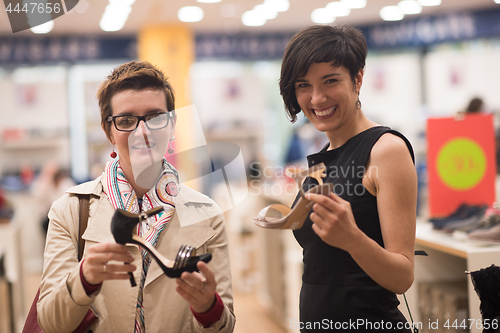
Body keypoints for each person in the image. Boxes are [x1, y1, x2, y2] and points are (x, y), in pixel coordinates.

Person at [37, 61, 235, 333]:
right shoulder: (70, 210)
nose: (143, 132)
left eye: (155, 117)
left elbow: (225, 327)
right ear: (109, 132)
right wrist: (83, 280)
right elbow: (50, 323)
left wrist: (207, 309)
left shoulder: (206, 214)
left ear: (172, 124)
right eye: (126, 120)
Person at [279, 25, 417, 332]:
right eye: (304, 85)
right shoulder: (326, 153)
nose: (316, 98)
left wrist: (352, 239)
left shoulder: (386, 150)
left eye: (330, 81)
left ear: (357, 79)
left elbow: (403, 276)